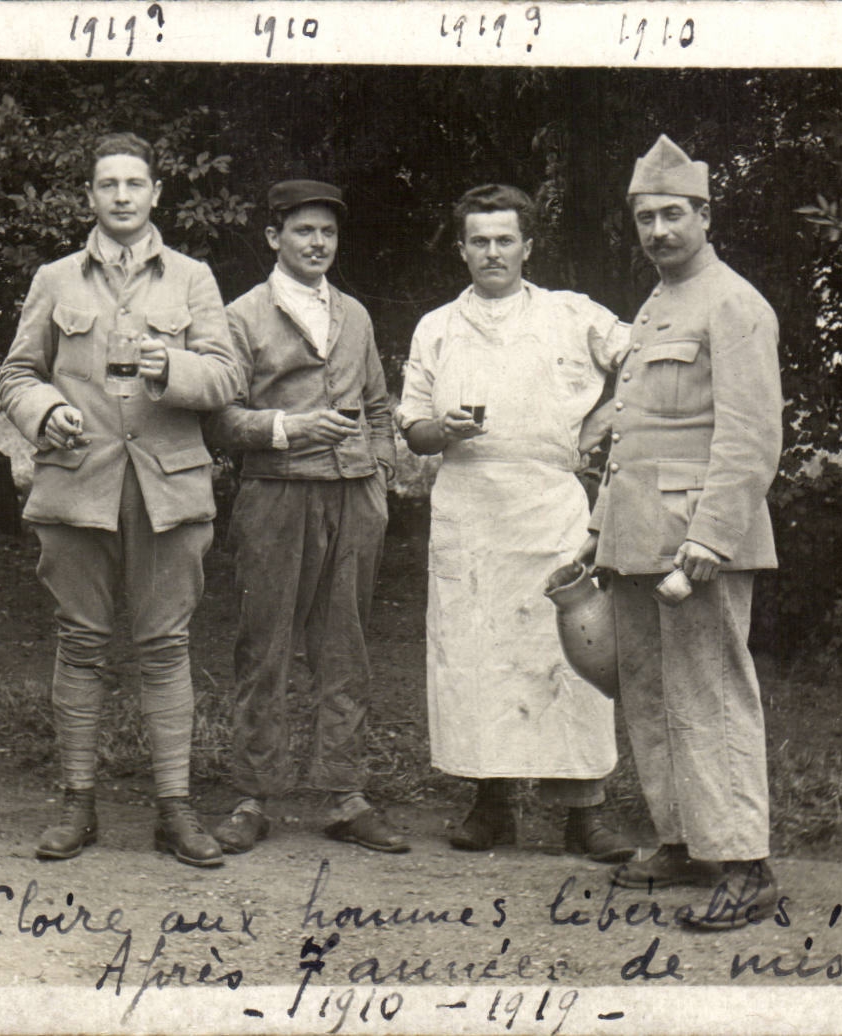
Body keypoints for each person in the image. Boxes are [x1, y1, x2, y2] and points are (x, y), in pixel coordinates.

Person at [0, 132, 241, 868]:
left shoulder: (193, 279)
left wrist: (176, 368)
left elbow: (228, 377)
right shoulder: (55, 279)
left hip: (169, 488)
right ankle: (77, 803)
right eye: (109, 184)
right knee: (80, 642)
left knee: (166, 647)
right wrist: (45, 411)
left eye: (135, 183)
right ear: (90, 196)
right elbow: (16, 374)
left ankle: (175, 808)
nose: (123, 196)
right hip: (78, 484)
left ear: (157, 193)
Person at [575, 135, 785, 928]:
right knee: (651, 695)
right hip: (636, 535)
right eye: (646, 218)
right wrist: (600, 528)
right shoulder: (658, 303)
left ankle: (745, 863)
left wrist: (711, 538)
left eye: (672, 215)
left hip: (697, 539)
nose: (658, 231)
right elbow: (633, 432)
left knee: (711, 695)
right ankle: (682, 842)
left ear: (704, 215)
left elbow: (749, 435)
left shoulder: (732, 303)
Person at [397, 184, 634, 861]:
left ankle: (585, 813)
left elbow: (644, 357)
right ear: (462, 250)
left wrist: (601, 422)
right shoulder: (436, 327)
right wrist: (441, 429)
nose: (493, 252)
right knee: (478, 657)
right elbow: (412, 428)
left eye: (505, 239)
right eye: (479, 241)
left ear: (528, 246)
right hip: (470, 512)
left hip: (552, 507)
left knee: (568, 653)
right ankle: (491, 804)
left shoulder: (570, 314)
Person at [204, 180, 407, 855]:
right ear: (274, 237)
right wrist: (288, 429)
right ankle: (251, 795)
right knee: (264, 646)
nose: (317, 243)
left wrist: (379, 471)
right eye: (303, 231)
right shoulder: (241, 317)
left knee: (345, 647)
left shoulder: (354, 314)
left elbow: (377, 405)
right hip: (276, 493)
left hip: (353, 496)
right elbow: (220, 419)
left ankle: (345, 795)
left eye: (327, 232)